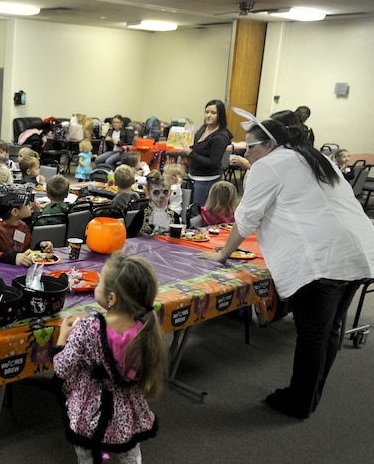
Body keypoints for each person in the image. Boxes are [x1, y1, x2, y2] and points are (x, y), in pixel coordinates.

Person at [203, 112, 374, 419]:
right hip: (358, 251)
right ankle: (311, 394)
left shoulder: (269, 165)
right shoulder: (318, 159)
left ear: (270, 144)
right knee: (331, 329)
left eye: (250, 147)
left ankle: (299, 402)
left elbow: (246, 218)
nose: (246, 154)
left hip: (323, 260)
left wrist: (222, 254)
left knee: (313, 334)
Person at [54, 251, 166, 464]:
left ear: (112, 298)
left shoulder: (88, 327)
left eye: (100, 282)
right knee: (132, 463)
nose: (97, 286)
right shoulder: (146, 328)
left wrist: (60, 340)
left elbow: (62, 368)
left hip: (90, 416)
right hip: (129, 414)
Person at [0, 184, 53, 266]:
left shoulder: (22, 226)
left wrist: (40, 247)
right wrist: (11, 258)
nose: (30, 205)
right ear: (15, 212)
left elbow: (25, 252)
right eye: (27, 204)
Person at [187, 99, 232, 206]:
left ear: (220, 115)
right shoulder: (204, 128)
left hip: (207, 180)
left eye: (213, 113)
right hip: (193, 176)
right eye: (207, 112)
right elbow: (198, 147)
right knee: (189, 210)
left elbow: (213, 162)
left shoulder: (220, 137)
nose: (209, 115)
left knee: (198, 214)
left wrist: (190, 153)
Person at [131, 170, 178, 237]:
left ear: (170, 193)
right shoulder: (141, 215)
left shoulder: (174, 216)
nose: (161, 196)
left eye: (165, 192)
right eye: (156, 192)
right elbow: (129, 238)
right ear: (148, 194)